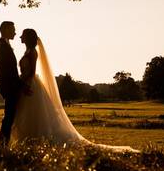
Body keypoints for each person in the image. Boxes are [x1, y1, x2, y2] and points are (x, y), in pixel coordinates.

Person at [10, 28, 139, 153]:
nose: (20, 37)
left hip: (30, 84)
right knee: (26, 114)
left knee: (33, 114)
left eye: (23, 35)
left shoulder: (32, 52)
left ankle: (35, 140)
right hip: (25, 83)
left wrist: (22, 81)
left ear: (27, 38)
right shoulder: (28, 51)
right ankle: (28, 141)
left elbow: (31, 72)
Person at [0, 21, 22, 146]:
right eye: (13, 30)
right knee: (9, 116)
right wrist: (20, 84)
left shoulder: (5, 45)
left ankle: (5, 143)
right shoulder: (2, 46)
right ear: (6, 30)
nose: (15, 33)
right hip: (10, 86)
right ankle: (3, 144)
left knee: (10, 116)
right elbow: (9, 70)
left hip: (10, 86)